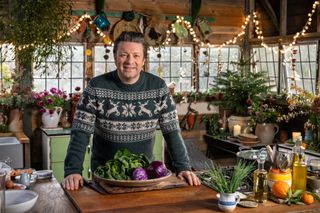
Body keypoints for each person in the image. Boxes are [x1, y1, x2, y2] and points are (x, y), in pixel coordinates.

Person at [63, 31, 201, 190]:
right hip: (106, 176)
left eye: (136, 55)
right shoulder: (96, 87)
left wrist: (183, 167)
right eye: (124, 55)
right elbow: (80, 132)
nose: (130, 61)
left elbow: (172, 132)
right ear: (115, 57)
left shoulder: (158, 88)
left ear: (143, 60)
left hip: (144, 176)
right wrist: (73, 170)